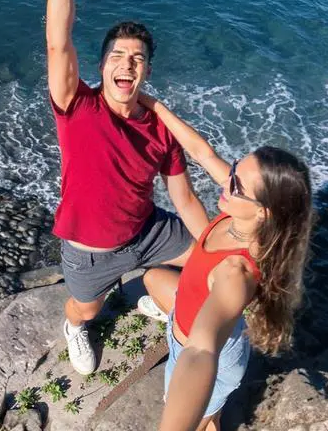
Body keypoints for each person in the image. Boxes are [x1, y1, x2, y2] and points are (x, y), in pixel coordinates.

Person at [46, 0, 209, 376]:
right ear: (102, 67)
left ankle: (152, 293)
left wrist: (216, 248)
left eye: (137, 58)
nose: (127, 63)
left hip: (148, 231)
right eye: (117, 55)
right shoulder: (77, 106)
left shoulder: (160, 128)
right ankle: (74, 327)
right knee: (86, 309)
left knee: (212, 265)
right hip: (90, 251)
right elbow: (58, 38)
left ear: (147, 72)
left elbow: (184, 198)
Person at [135, 94, 314, 431]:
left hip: (208, 352)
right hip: (188, 322)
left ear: (263, 212)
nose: (226, 183)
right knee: (153, 278)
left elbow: (201, 352)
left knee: (194, 412)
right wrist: (154, 105)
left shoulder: (236, 272)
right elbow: (202, 152)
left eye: (236, 185)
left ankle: (210, 419)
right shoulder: (240, 210)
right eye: (233, 170)